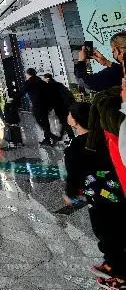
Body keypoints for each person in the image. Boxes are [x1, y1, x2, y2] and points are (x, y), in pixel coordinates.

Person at [63, 101, 125, 285]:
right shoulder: (107, 136)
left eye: (69, 114)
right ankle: (111, 263)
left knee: (106, 232)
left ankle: (120, 276)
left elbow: (74, 176)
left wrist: (70, 193)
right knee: (119, 228)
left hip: (98, 196)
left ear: (74, 121)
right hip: (118, 190)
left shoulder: (75, 146)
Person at [20, 68, 57, 145]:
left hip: (37, 105)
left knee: (39, 121)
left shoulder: (29, 82)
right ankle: (47, 139)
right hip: (45, 105)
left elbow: (22, 92)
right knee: (45, 122)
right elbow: (48, 93)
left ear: (28, 74)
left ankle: (53, 137)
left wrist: (13, 100)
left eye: (26, 74)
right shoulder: (41, 81)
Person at [43, 74, 75, 141]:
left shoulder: (49, 86)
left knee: (64, 123)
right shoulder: (58, 84)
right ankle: (68, 138)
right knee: (64, 122)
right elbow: (67, 93)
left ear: (47, 79)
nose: (44, 80)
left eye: (44, 79)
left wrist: (49, 108)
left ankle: (71, 139)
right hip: (65, 106)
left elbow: (51, 98)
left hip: (60, 106)